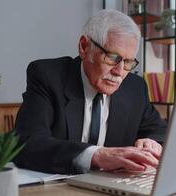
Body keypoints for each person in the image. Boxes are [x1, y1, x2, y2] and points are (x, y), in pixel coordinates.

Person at [14, 9, 166, 175]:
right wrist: (96, 155)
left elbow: (160, 131)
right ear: (84, 47)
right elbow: (28, 143)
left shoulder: (135, 88)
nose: (119, 71)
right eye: (112, 57)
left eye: (128, 62)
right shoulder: (48, 76)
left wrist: (152, 141)